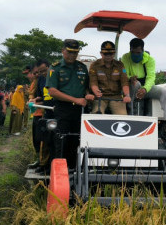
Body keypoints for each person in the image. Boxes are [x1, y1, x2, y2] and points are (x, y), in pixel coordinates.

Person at [46, 39, 94, 168]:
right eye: (70, 52)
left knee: (78, 140)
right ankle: (58, 173)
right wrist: (75, 100)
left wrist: (88, 94)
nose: (72, 55)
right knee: (61, 141)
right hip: (63, 109)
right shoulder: (55, 68)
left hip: (80, 110)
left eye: (75, 52)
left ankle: (75, 171)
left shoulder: (82, 67)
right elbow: (52, 91)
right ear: (63, 51)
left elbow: (86, 87)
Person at [120, 38, 166, 139]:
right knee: (136, 84)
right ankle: (132, 119)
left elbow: (151, 77)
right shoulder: (125, 58)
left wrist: (145, 89)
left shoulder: (150, 60)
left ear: (142, 50)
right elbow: (124, 74)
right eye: (133, 52)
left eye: (138, 52)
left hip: (146, 86)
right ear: (130, 50)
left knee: (165, 93)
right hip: (131, 85)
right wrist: (130, 78)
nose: (136, 55)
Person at [89, 41, 131, 115]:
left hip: (116, 97)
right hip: (100, 97)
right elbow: (93, 82)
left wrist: (127, 95)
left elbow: (124, 82)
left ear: (114, 53)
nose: (108, 56)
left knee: (123, 117)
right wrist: (96, 92)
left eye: (110, 54)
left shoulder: (120, 65)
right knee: (96, 115)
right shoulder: (95, 65)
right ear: (101, 53)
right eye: (105, 54)